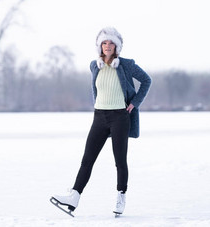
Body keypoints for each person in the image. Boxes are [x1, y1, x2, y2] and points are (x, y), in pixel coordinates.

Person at [51, 27, 152, 216]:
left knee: (120, 161)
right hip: (99, 117)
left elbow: (147, 80)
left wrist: (134, 104)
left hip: (120, 117)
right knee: (87, 160)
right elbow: (96, 89)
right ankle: (74, 196)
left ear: (117, 46)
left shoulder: (126, 64)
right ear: (100, 46)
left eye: (111, 43)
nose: (107, 46)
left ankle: (120, 198)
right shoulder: (94, 65)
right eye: (104, 43)